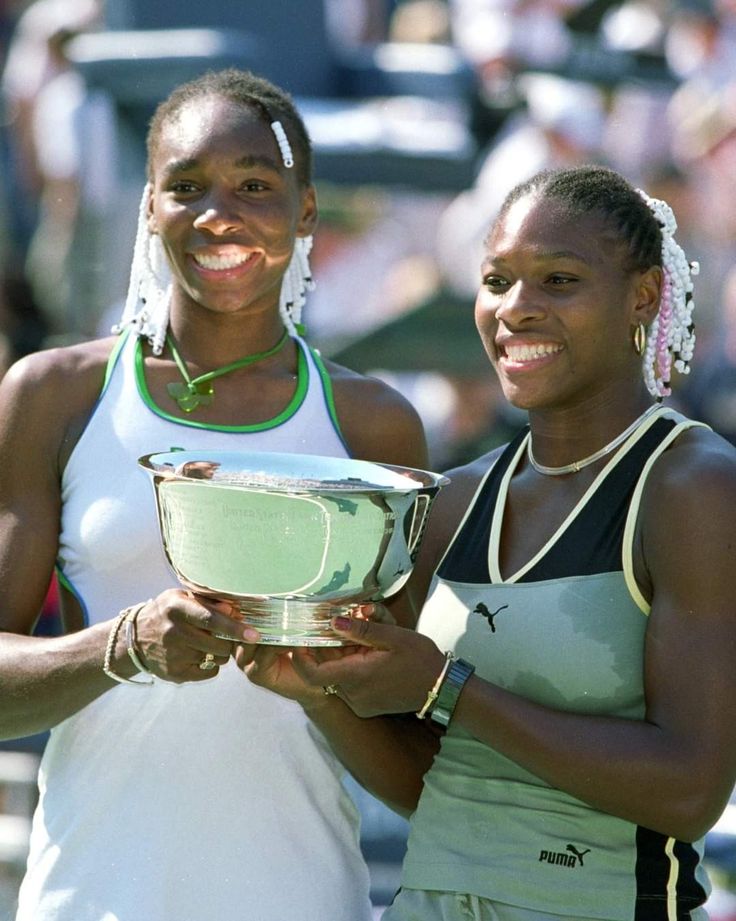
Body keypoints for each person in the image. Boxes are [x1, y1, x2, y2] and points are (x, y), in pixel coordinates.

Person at [239, 164, 736, 920]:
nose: (516, 309)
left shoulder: (693, 488)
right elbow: (433, 786)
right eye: (497, 279)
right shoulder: (455, 501)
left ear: (643, 296)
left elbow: (691, 790)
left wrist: (448, 689)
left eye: (558, 280)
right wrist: (320, 690)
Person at [0, 67, 428, 921]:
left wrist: (313, 681)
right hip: (89, 900)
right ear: (148, 208)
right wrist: (121, 645)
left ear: (306, 211)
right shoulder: (54, 395)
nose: (218, 214)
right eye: (185, 186)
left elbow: (419, 772)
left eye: (256, 186)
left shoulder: (376, 425)